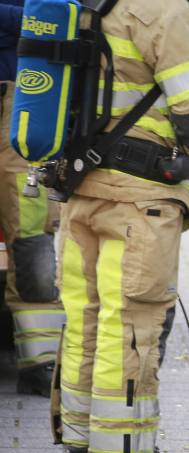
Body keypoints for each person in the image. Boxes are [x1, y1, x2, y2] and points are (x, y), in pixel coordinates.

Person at [55, 0, 189, 453]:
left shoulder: (88, 3)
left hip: (81, 190)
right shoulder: (168, 11)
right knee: (131, 320)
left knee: (87, 318)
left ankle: (83, 443)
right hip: (140, 198)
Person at [1, 0, 66, 398]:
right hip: (23, 98)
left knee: (31, 239)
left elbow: (52, 20)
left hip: (23, 108)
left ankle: (41, 363)